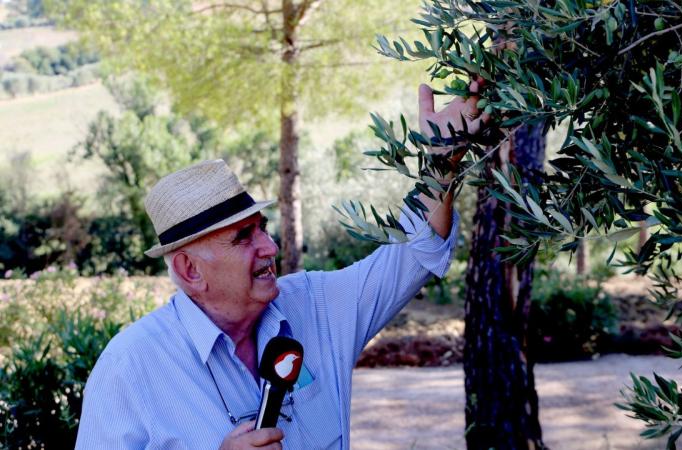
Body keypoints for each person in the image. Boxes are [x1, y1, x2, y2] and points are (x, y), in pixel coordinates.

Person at [75, 81, 489, 449]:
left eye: (262, 228)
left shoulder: (317, 305)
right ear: (189, 270)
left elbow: (412, 255)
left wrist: (441, 161)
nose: (269, 247)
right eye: (243, 238)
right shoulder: (130, 367)